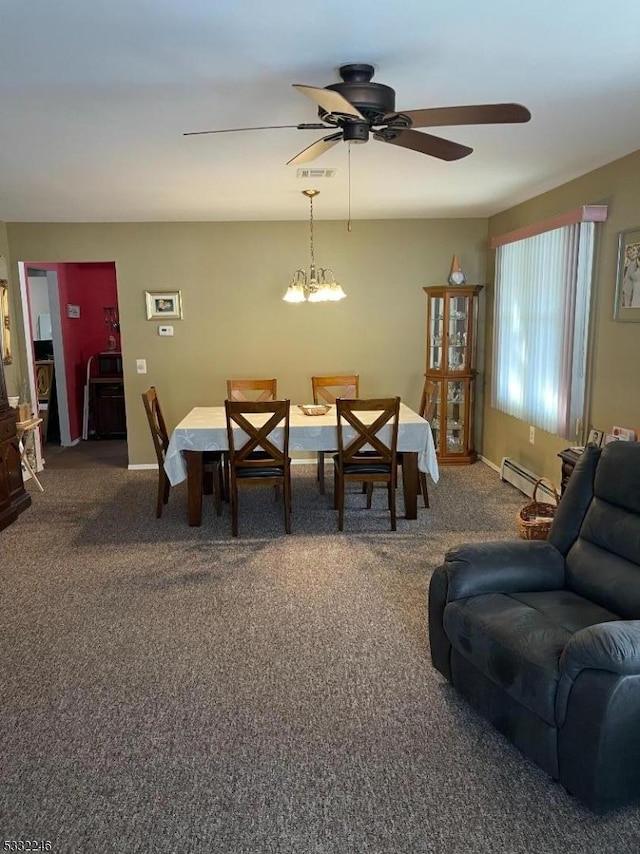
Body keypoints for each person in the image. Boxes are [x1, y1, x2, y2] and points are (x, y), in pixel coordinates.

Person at [621, 243, 640, 308]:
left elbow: (632, 276)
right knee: (627, 305)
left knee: (628, 305)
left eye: (632, 253)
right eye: (629, 253)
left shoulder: (634, 262)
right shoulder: (632, 262)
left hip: (629, 288)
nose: (630, 254)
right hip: (628, 288)